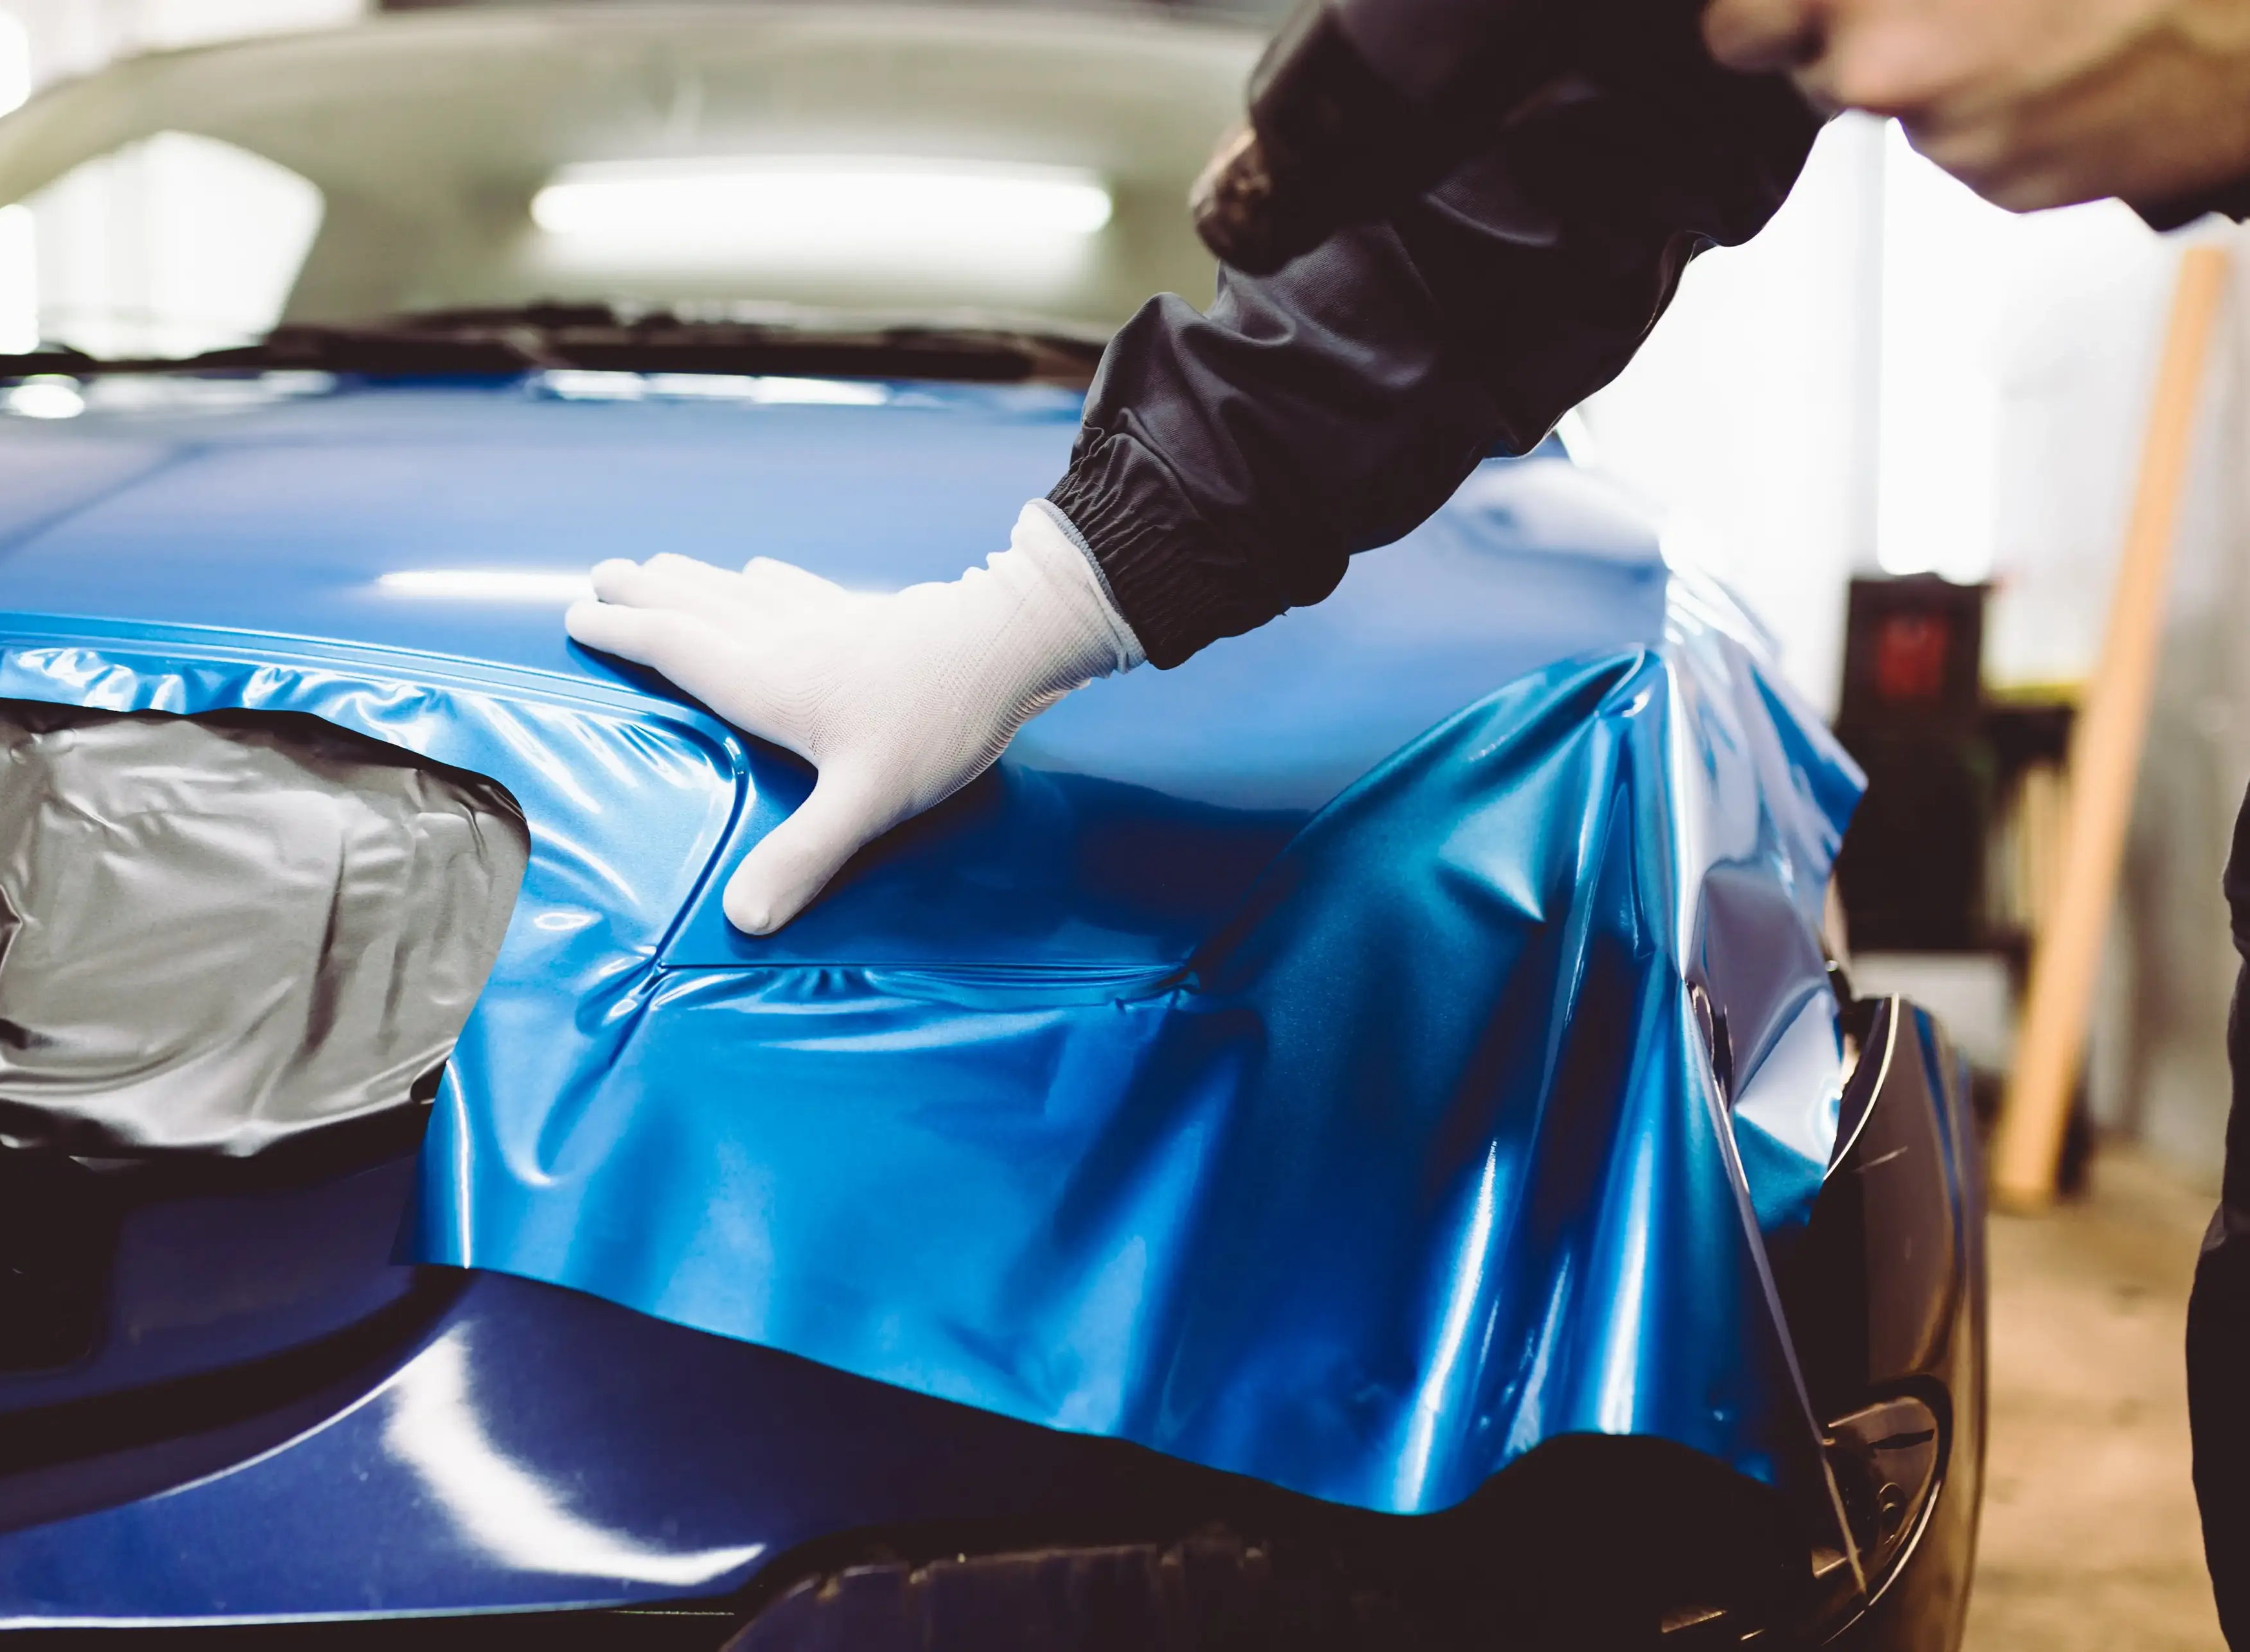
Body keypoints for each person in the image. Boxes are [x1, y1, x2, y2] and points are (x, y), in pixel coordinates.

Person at [562, 0, 2250, 1631]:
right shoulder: (1624, 105)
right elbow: (1513, 227)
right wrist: (1031, 606)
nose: (1843, 52)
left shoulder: (1584, 667)